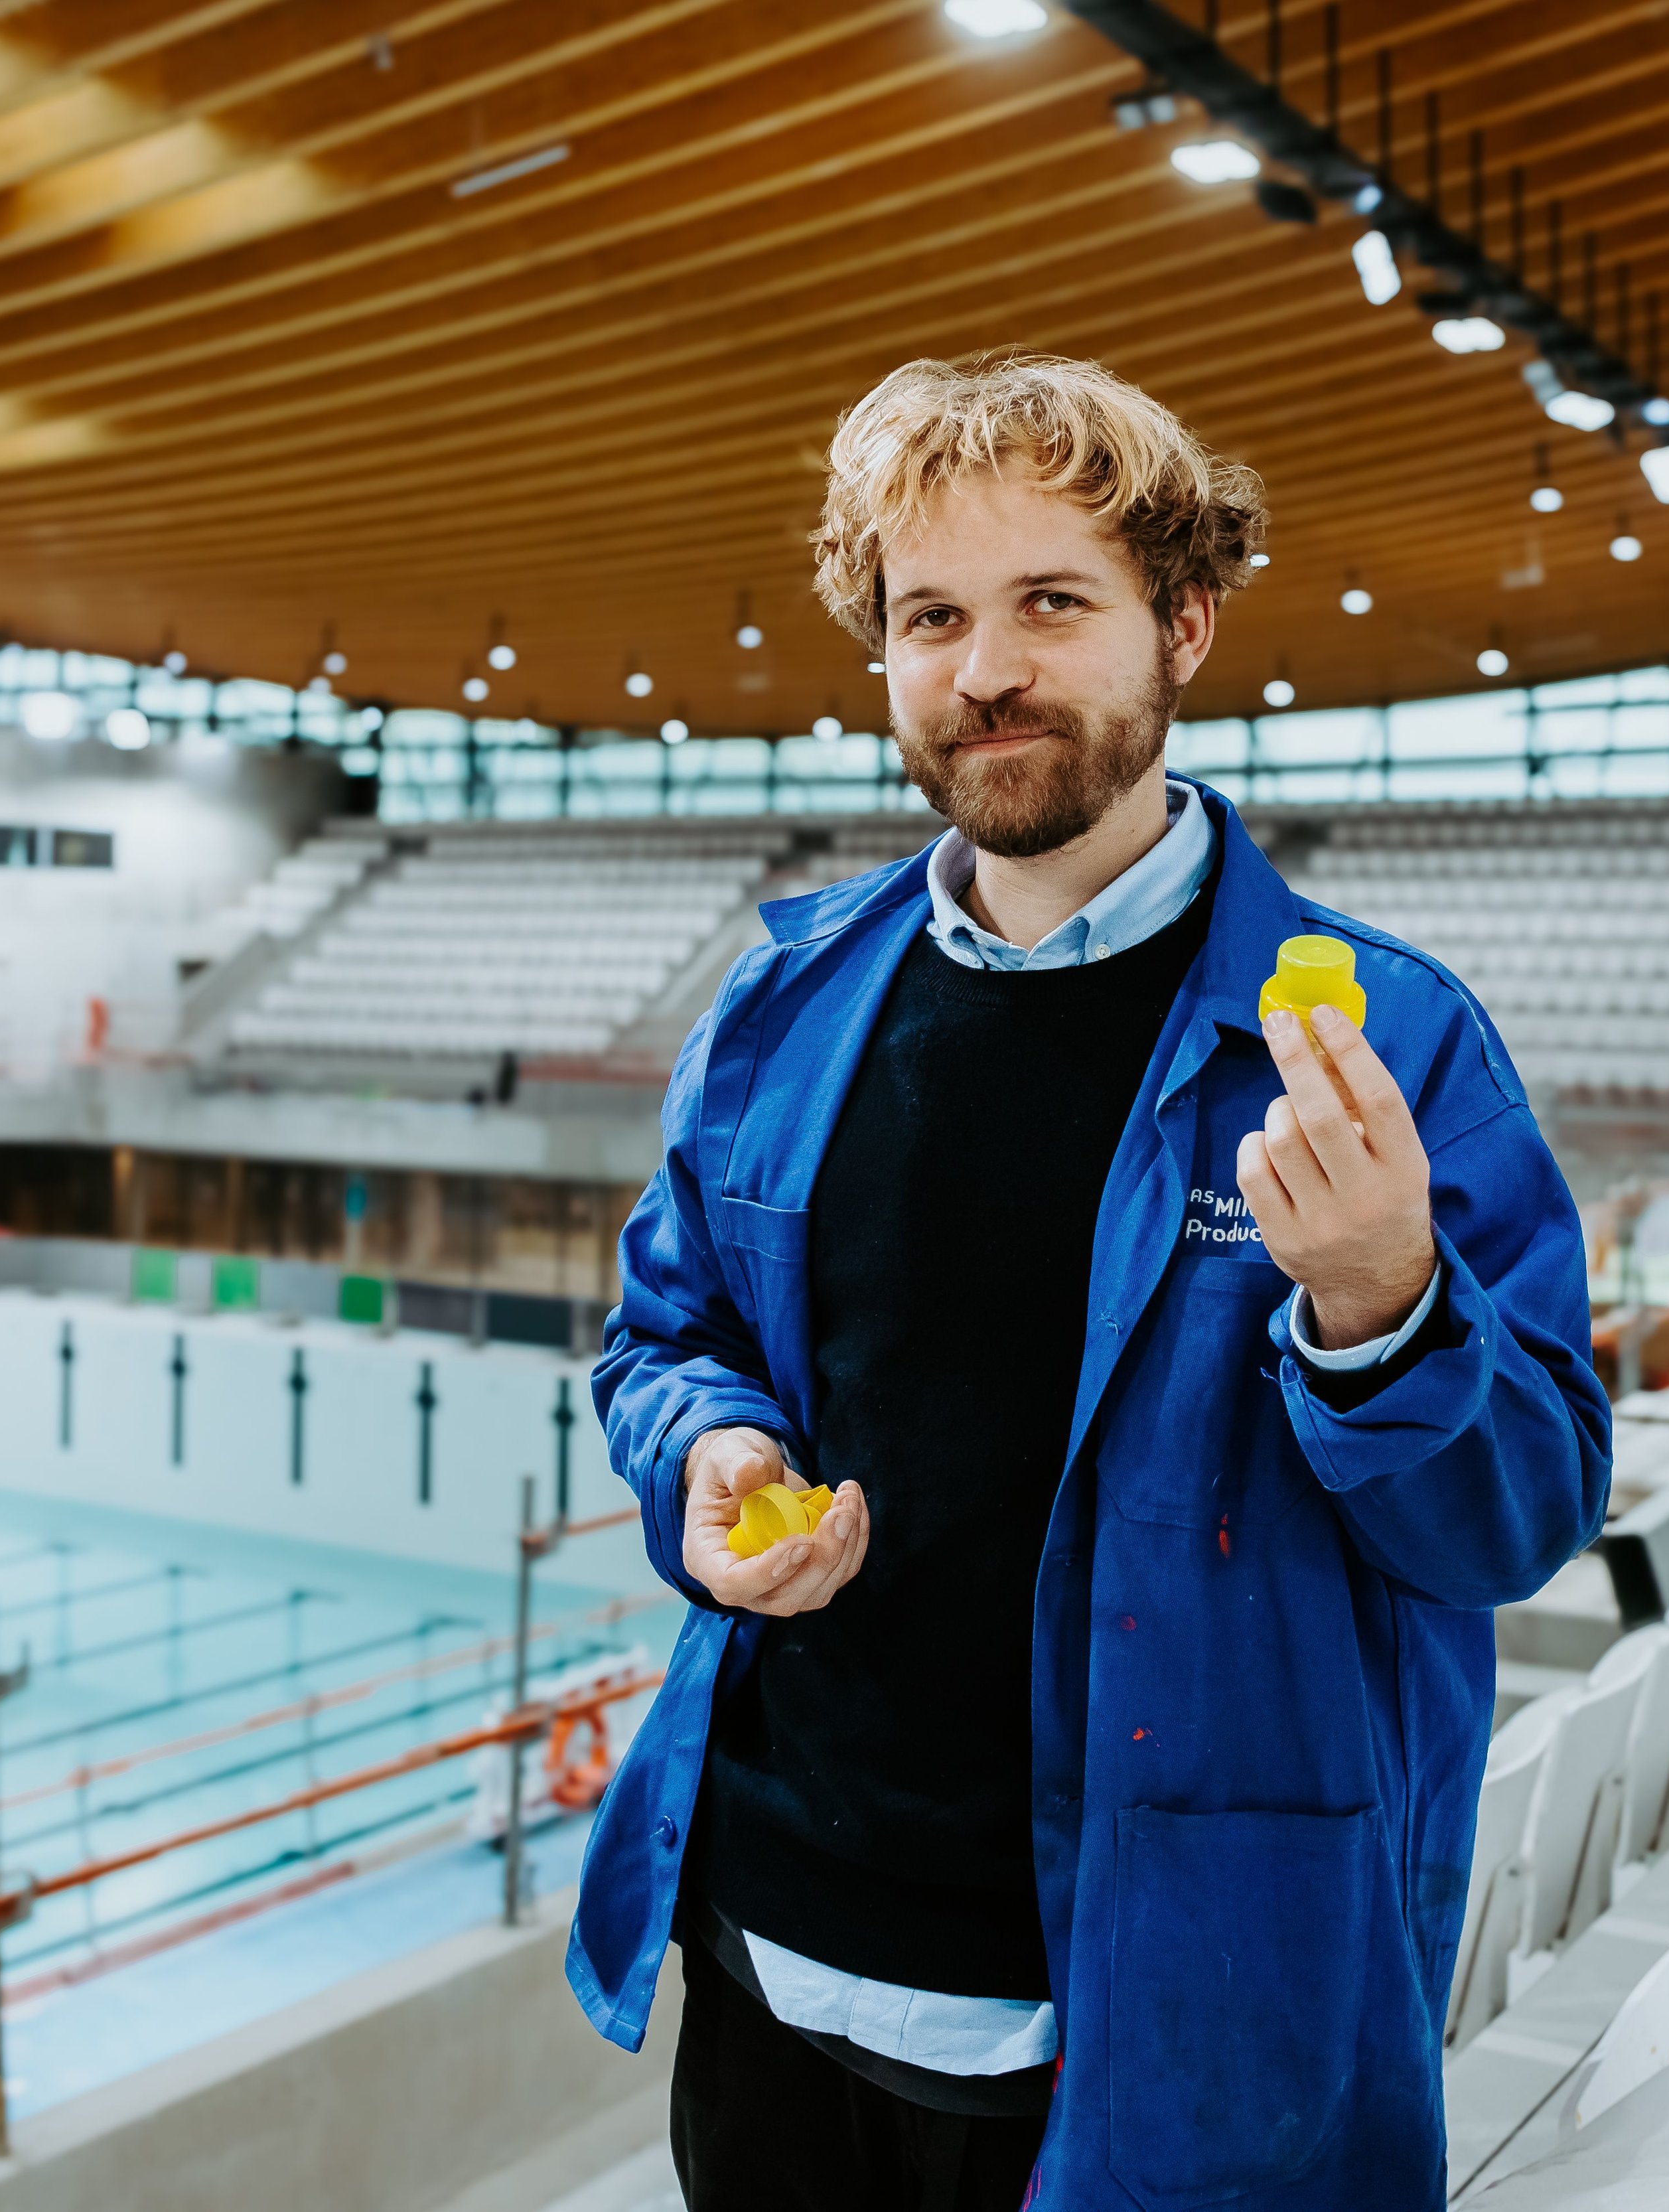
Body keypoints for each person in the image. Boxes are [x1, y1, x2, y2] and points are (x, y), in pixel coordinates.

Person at [569, 352, 1613, 2211]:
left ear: (1183, 623)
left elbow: (1517, 1517)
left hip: (1146, 2015)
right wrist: (710, 1450)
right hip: (773, 1957)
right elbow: (668, 1331)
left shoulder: (1389, 1044)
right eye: (932, 617)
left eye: (1054, 602)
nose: (986, 672)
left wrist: (1385, 1314)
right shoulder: (785, 1009)